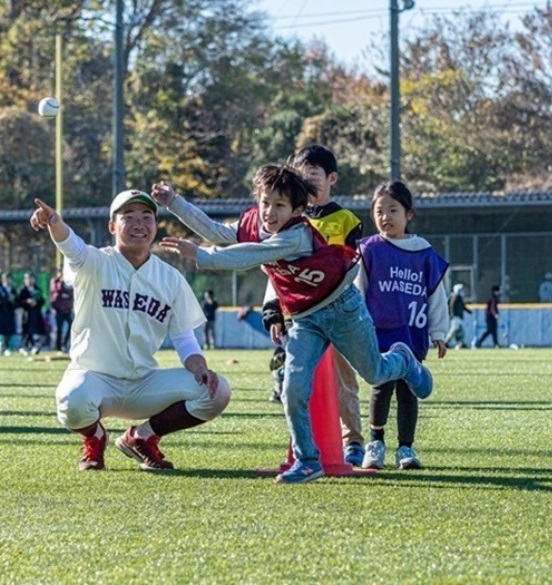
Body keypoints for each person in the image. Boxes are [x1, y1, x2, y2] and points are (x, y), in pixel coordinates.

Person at [155, 164, 433, 484]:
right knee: (292, 389)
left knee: (376, 373)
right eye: (265, 203)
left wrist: (203, 256)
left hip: (343, 309)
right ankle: (307, 459)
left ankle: (404, 360)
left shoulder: (297, 234)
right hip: (304, 319)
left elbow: (251, 255)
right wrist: (175, 202)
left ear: (298, 210)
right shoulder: (258, 224)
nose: (270, 212)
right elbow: (218, 230)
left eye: (279, 205)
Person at [29, 189, 231, 472]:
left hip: (143, 383)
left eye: (147, 217)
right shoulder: (95, 262)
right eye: (129, 216)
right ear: (113, 226)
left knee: (217, 390)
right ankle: (95, 437)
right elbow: (70, 245)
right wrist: (54, 222)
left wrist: (200, 368)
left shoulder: (170, 278)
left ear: (155, 225)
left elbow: (184, 338)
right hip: (94, 378)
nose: (139, 224)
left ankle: (142, 438)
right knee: (71, 401)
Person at [355, 180, 449, 470]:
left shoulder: (424, 252)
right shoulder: (368, 250)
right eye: (379, 211)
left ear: (409, 214)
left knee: (408, 390)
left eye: (393, 210)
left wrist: (439, 333)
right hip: (379, 335)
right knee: (381, 386)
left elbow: (436, 295)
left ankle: (406, 448)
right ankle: (376, 443)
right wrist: (357, 328)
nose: (386, 217)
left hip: (412, 333)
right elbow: (358, 291)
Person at [285, 144, 366, 466]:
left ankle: (353, 440)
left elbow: (352, 267)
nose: (308, 181)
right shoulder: (292, 221)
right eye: (302, 175)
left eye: (314, 174)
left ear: (332, 178)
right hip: (302, 315)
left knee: (344, 379)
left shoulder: (346, 220)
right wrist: (275, 309)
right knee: (297, 380)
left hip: (339, 311)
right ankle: (303, 445)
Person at [18, 271, 47, 354]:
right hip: (26, 314)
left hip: (36, 313)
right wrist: (27, 302)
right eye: (27, 279)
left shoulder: (37, 289)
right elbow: (18, 302)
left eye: (31, 278)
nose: (29, 280)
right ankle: (25, 347)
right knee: (27, 331)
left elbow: (42, 301)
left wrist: (36, 302)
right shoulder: (22, 290)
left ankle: (35, 346)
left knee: (36, 331)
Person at [49, 267, 74, 352]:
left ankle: (64, 344)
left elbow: (71, 293)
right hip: (58, 309)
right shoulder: (55, 281)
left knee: (71, 326)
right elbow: (57, 290)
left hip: (67, 309)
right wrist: (62, 282)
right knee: (59, 329)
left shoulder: (69, 282)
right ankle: (58, 347)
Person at [445, 284, 471, 349]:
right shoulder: (456, 297)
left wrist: (468, 311)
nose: (463, 291)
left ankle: (461, 343)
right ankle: (446, 342)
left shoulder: (457, 297)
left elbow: (462, 306)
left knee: (459, 331)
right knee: (454, 330)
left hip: (457, 317)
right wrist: (453, 315)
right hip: (455, 317)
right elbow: (452, 307)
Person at [0, 272, 17, 356]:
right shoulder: (0, 289)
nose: (8, 281)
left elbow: (17, 301)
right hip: (2, 313)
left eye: (9, 279)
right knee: (2, 331)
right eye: (6, 279)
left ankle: (7, 347)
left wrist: (13, 301)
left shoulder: (13, 289)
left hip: (10, 312)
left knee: (10, 331)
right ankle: (1, 346)